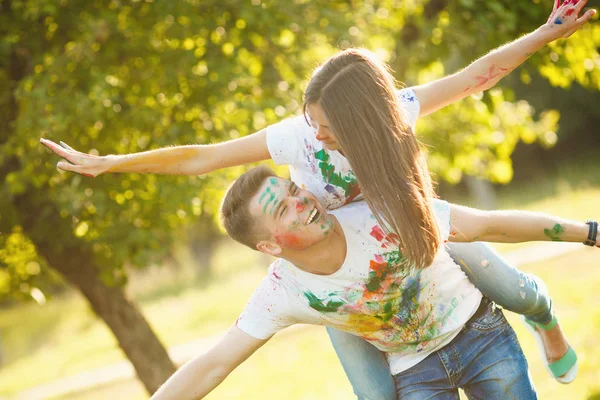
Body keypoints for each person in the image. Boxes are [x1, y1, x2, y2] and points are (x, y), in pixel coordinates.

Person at [40, 1, 596, 397]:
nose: (316, 136)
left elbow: (477, 76)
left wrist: (548, 31)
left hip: (414, 242)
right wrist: (114, 163)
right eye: (311, 122)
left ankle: (546, 319)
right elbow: (202, 157)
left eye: (326, 126)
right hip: (341, 284)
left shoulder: (392, 117)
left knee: (510, 287)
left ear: (363, 121)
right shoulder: (297, 138)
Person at [150, 166, 599, 399]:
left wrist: (589, 232)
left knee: (516, 291)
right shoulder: (282, 292)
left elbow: (489, 225)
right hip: (415, 372)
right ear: (269, 247)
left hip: (478, 331)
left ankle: (546, 319)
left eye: (291, 189)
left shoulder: (379, 214)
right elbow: (212, 364)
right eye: (283, 209)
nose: (301, 200)